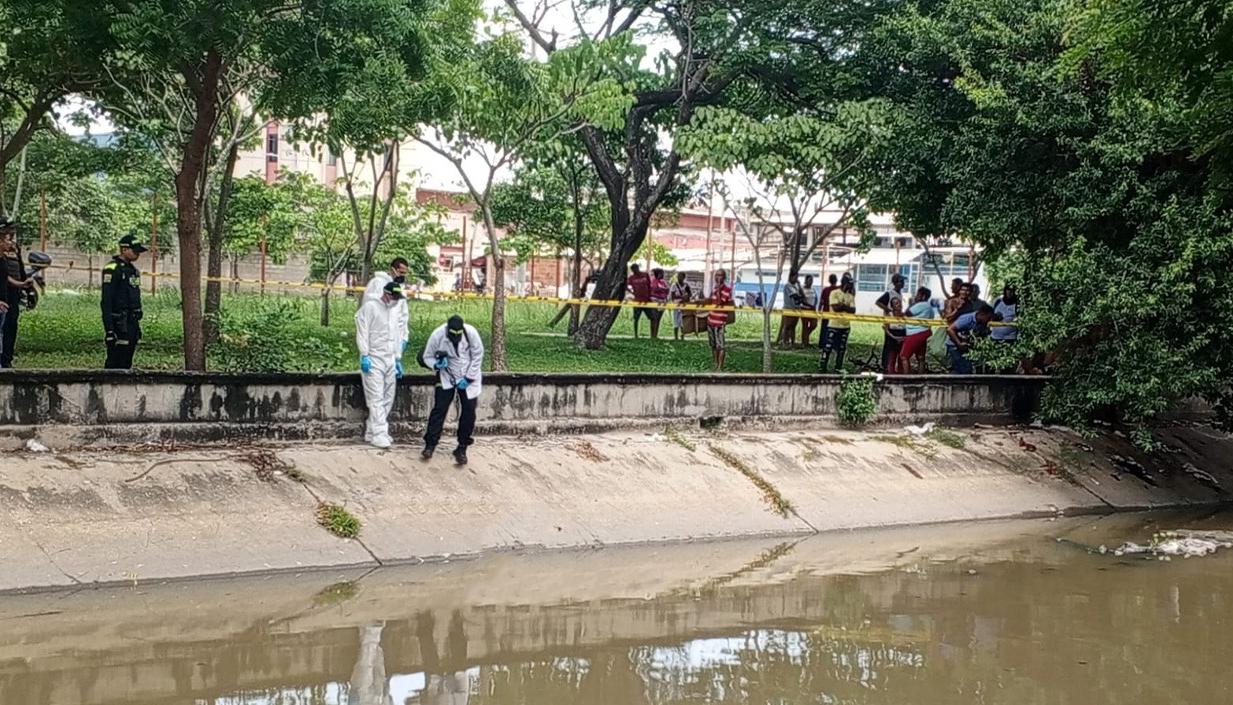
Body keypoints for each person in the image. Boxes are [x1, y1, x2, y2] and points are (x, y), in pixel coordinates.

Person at [420, 314, 484, 465]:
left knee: (469, 411)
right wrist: (436, 365)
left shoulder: (471, 334)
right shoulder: (437, 335)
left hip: (468, 374)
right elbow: (427, 356)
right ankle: (430, 444)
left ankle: (462, 447)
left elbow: (477, 356)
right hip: (447, 375)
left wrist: (468, 378)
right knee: (439, 409)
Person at [356, 281, 406, 449]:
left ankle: (372, 430)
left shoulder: (394, 311)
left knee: (387, 396)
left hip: (390, 358)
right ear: (386, 295)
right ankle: (379, 433)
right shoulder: (370, 308)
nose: (397, 300)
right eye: (394, 297)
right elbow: (363, 331)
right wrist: (364, 354)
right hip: (374, 358)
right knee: (375, 397)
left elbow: (397, 334)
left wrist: (397, 358)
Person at [101, 234, 147, 370]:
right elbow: (107, 300)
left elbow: (135, 294)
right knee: (115, 360)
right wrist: (109, 329)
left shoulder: (133, 271)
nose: (137, 254)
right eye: (135, 251)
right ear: (124, 249)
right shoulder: (112, 268)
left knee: (127, 360)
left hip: (131, 321)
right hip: (118, 321)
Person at [363, 257, 411, 358]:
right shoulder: (377, 283)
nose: (402, 276)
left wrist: (404, 337)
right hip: (378, 337)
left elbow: (403, 315)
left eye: (404, 273)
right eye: (400, 272)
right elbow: (369, 310)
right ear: (392, 270)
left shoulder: (401, 289)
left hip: (394, 338)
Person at [0, 220, 32, 368]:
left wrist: (25, 286)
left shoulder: (14, 247)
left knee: (12, 324)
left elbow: (20, 268)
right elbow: (4, 276)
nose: (11, 233)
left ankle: (7, 359)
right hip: (4, 290)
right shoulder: (2, 248)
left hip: (14, 292)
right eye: (8, 230)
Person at [819, 273, 856, 372]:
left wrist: (842, 306)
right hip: (834, 325)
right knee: (828, 347)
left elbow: (853, 310)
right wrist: (845, 307)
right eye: (850, 284)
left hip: (845, 325)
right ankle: (823, 366)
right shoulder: (834, 293)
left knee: (841, 348)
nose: (851, 286)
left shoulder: (850, 296)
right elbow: (835, 308)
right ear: (845, 284)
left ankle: (838, 367)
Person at [946, 303, 995, 374]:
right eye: (988, 317)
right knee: (964, 369)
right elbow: (950, 329)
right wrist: (959, 344)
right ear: (982, 314)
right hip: (954, 346)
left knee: (963, 369)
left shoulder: (981, 323)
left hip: (965, 347)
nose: (989, 320)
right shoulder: (967, 319)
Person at [899, 287, 936, 374]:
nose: (916, 296)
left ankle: (906, 378)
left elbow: (907, 313)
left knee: (904, 356)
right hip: (924, 331)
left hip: (915, 333)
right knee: (920, 357)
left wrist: (911, 303)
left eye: (918, 295)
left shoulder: (921, 305)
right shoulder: (929, 307)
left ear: (923, 296)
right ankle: (920, 376)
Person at [876, 273, 907, 372]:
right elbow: (878, 302)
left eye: (903, 281)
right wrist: (888, 309)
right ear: (895, 283)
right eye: (901, 281)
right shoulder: (890, 293)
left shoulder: (900, 294)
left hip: (898, 324)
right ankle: (885, 366)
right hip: (890, 323)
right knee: (889, 346)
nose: (903, 283)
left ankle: (894, 367)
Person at [706, 269, 734, 370]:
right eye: (716, 275)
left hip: (720, 322)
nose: (717, 277)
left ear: (724, 277)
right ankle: (715, 363)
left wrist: (718, 289)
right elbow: (711, 301)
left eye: (720, 275)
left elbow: (719, 302)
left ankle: (720, 366)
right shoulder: (713, 289)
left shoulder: (727, 290)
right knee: (713, 345)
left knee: (720, 345)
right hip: (711, 320)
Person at [777, 274, 804, 347]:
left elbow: (802, 295)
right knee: (787, 326)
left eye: (797, 278)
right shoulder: (787, 286)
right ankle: (784, 342)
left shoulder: (796, 286)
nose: (796, 279)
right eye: (795, 277)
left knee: (793, 327)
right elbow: (795, 296)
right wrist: (800, 298)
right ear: (791, 277)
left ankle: (792, 342)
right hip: (789, 309)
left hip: (796, 309)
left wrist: (799, 285)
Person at [882, 296, 908, 374]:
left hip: (903, 338)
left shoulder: (905, 315)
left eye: (899, 302)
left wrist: (903, 338)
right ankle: (891, 376)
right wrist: (894, 337)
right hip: (892, 338)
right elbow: (885, 329)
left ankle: (900, 376)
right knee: (891, 358)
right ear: (892, 306)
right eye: (896, 303)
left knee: (902, 358)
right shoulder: (889, 315)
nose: (899, 304)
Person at [626, 264, 652, 338]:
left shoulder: (645, 275)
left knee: (652, 317)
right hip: (637, 300)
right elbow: (626, 286)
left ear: (638, 268)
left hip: (646, 300)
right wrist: (632, 292)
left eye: (636, 269)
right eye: (633, 270)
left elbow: (649, 286)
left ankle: (652, 334)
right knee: (636, 318)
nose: (635, 271)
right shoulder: (631, 278)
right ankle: (636, 335)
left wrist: (649, 296)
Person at [817, 273, 839, 351]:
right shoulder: (838, 290)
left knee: (825, 329)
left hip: (826, 312)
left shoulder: (826, 290)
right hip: (835, 313)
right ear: (836, 280)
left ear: (829, 281)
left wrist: (819, 312)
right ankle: (834, 345)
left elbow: (821, 302)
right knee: (835, 329)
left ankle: (823, 344)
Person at [669, 271, 692, 340]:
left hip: (684, 305)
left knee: (683, 320)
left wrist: (686, 297)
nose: (679, 278)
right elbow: (672, 297)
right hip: (676, 305)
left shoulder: (686, 285)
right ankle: (676, 337)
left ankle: (682, 336)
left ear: (684, 277)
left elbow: (690, 294)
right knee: (676, 320)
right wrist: (681, 298)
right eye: (678, 276)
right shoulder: (674, 285)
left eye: (681, 276)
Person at [649, 267, 670, 339]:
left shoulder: (663, 282)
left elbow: (667, 290)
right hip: (654, 302)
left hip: (662, 302)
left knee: (658, 319)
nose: (651, 276)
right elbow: (655, 289)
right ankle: (652, 335)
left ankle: (655, 335)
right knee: (654, 319)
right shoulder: (653, 281)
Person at [800, 274, 819, 346]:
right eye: (810, 280)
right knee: (805, 326)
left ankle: (806, 336)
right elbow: (802, 300)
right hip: (804, 309)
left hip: (812, 310)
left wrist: (814, 305)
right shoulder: (802, 289)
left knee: (814, 324)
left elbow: (816, 298)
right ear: (806, 280)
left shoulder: (813, 289)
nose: (811, 282)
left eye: (812, 280)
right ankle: (804, 342)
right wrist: (810, 305)